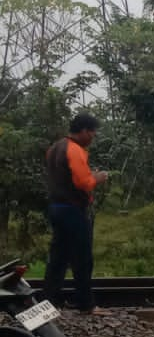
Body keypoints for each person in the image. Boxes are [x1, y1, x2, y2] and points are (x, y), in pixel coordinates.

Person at [44, 112, 109, 315]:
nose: (93, 137)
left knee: (58, 257)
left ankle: (50, 302)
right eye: (92, 132)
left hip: (56, 208)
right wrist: (98, 177)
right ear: (83, 131)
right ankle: (86, 304)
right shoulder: (74, 150)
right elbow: (84, 183)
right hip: (73, 210)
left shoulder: (54, 148)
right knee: (82, 258)